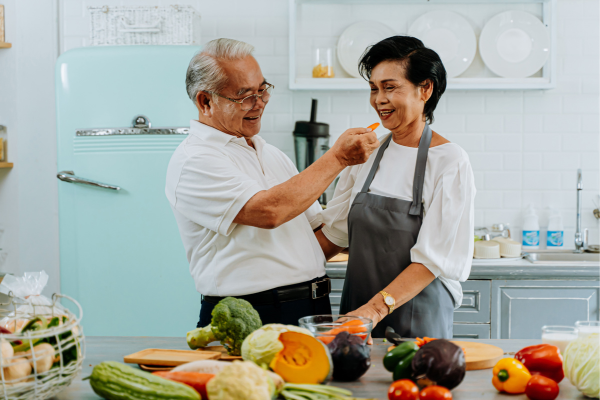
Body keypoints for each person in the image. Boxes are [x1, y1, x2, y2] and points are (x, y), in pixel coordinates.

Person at [165, 38, 379, 327]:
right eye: (244, 96)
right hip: (250, 316)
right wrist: (339, 158)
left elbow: (317, 240)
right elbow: (269, 212)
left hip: (310, 308)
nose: (259, 103)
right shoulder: (195, 160)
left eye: (262, 89)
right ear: (206, 102)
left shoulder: (270, 153)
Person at [316, 36, 476, 339]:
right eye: (374, 89)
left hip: (416, 319)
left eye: (390, 87)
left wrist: (375, 310)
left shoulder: (449, 161)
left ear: (424, 89)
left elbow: (434, 260)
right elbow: (335, 233)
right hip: (357, 314)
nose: (379, 99)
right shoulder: (367, 152)